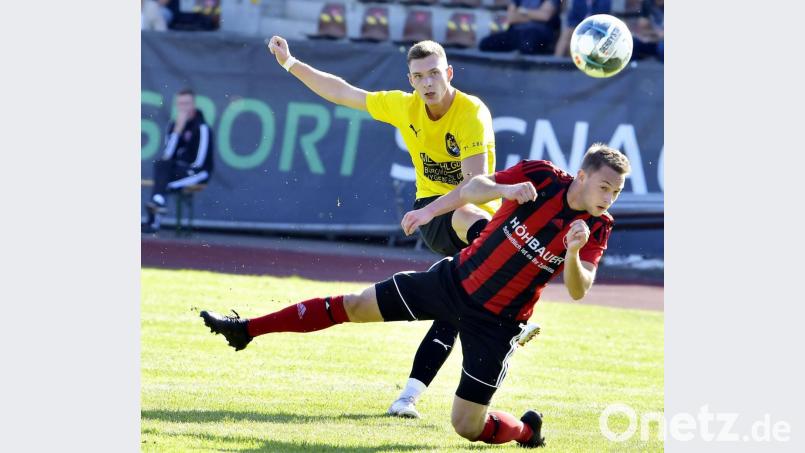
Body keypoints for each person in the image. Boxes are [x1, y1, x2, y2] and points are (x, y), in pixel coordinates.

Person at [200, 144, 631, 448]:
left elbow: (579, 289)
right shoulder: (539, 175)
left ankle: (525, 432)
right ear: (582, 175)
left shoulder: (598, 227)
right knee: (354, 304)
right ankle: (246, 329)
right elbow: (472, 189)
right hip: (450, 283)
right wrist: (502, 192)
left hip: (497, 323)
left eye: (615, 191)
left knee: (465, 426)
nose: (608, 197)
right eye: (604, 187)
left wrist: (573, 251)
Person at [263, 36, 533, 419]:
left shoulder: (472, 111)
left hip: (473, 219)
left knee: (454, 311)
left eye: (435, 74)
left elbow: (473, 187)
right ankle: (511, 314)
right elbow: (345, 93)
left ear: (449, 73)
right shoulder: (404, 106)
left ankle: (406, 397)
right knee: (475, 233)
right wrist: (290, 63)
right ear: (410, 80)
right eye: (419, 76)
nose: (428, 83)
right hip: (440, 215)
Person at [142, 88, 213, 233]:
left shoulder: (202, 127)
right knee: (161, 165)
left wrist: (186, 168)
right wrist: (177, 132)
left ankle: (153, 221)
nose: (183, 108)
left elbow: (201, 162)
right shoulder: (174, 126)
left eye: (186, 104)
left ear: (193, 105)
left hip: (198, 172)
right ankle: (157, 208)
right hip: (179, 170)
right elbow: (167, 156)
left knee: (162, 184)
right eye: (180, 104)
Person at [478, 0, 561, 55]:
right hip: (516, 32)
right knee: (485, 43)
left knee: (527, 44)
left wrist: (523, 11)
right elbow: (511, 18)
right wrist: (535, 16)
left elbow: (545, 16)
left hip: (539, 32)